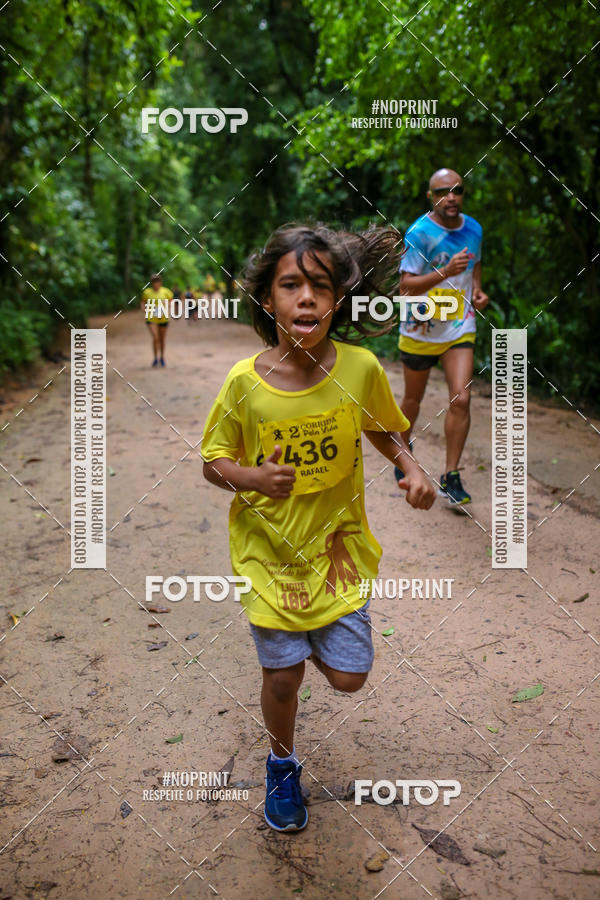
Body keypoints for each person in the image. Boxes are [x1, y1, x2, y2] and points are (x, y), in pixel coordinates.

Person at [201, 224, 436, 833]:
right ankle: (282, 765)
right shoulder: (244, 382)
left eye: (320, 286)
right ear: (267, 300)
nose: (306, 297)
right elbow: (213, 462)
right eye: (290, 284)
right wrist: (252, 479)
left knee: (350, 678)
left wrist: (411, 468)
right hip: (269, 553)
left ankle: (310, 641)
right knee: (282, 676)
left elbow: (384, 428)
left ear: (338, 301)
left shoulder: (357, 369)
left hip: (338, 551)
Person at [396, 168, 489, 505]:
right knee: (412, 402)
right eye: (441, 192)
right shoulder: (419, 234)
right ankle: (403, 450)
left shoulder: (474, 228)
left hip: (458, 325)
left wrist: (477, 290)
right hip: (420, 327)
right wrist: (444, 272)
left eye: (457, 190)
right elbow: (406, 286)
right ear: (430, 197)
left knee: (461, 398)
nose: (450, 197)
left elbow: (475, 265)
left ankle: (451, 476)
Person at [141, 273, 173, 367]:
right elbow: (143, 302)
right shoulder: (147, 292)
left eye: (157, 281)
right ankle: (155, 358)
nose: (156, 283)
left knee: (162, 339)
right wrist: (144, 309)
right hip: (151, 318)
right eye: (154, 281)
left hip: (163, 318)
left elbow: (172, 301)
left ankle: (162, 357)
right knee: (155, 338)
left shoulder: (166, 291)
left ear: (160, 282)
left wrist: (166, 304)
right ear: (151, 283)